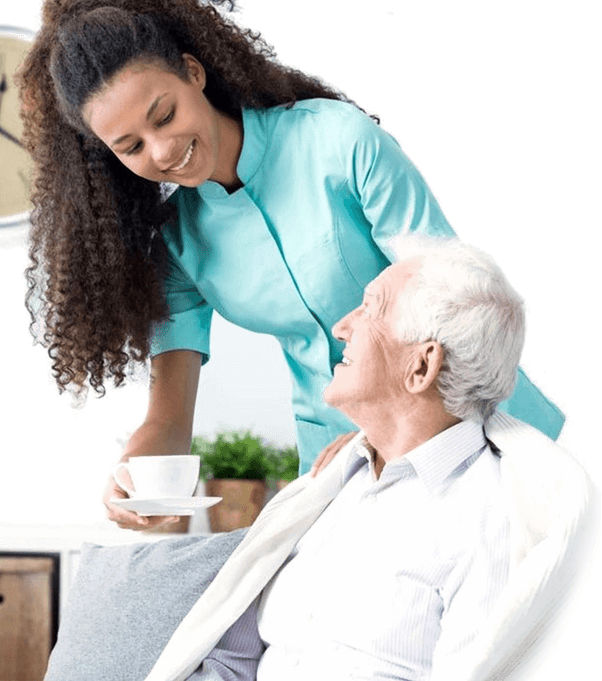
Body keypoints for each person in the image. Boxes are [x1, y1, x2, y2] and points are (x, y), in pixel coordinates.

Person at [14, 0, 566, 532]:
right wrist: (136, 473)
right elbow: (169, 418)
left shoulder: (337, 142)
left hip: (479, 432)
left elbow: (451, 297)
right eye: (130, 145)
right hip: (339, 470)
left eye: (165, 115)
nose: (162, 149)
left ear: (193, 72)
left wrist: (385, 429)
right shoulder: (178, 243)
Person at [178, 238, 598, 680]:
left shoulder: (490, 518)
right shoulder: (328, 488)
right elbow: (231, 658)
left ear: (421, 367)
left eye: (371, 309)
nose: (340, 327)